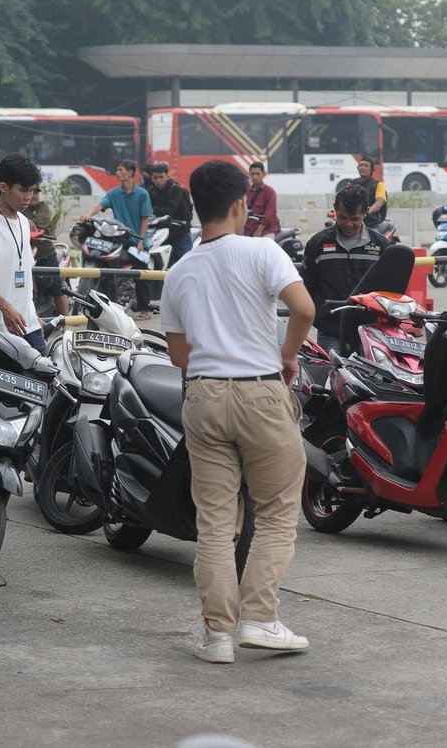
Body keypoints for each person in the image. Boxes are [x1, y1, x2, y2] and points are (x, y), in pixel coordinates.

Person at [160, 160, 315, 664]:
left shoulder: (179, 270)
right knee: (273, 514)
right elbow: (305, 309)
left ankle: (218, 635)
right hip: (260, 393)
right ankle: (260, 619)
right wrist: (287, 354)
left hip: (203, 396)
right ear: (239, 204)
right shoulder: (261, 251)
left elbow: (179, 356)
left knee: (215, 524)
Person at [0, 153, 46, 354]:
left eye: (31, 190)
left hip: (27, 323)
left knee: (46, 380)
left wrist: (32, 312)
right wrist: (6, 308)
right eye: (23, 190)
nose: (28, 196)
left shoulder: (23, 221)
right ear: (3, 187)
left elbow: (23, 273)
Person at [301, 184, 389, 353]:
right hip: (329, 333)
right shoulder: (317, 244)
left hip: (371, 334)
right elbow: (307, 286)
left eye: (355, 219)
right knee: (330, 378)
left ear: (366, 212)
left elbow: (390, 289)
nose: (348, 224)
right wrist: (318, 316)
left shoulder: (381, 246)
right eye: (342, 217)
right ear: (334, 210)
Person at [81, 158, 153, 320]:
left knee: (141, 273)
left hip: (137, 241)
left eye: (121, 170)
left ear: (130, 172)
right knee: (109, 266)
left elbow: (145, 219)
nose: (117, 173)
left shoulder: (142, 194)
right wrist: (88, 215)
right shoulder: (114, 193)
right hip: (119, 239)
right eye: (117, 170)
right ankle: (111, 304)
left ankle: (144, 308)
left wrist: (141, 240)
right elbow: (100, 205)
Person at [25, 187, 69, 317]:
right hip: (26, 255)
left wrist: (26, 222)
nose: (34, 196)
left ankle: (67, 321)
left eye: (36, 193)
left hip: (45, 254)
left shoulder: (43, 209)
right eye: (30, 192)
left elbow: (40, 223)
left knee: (57, 288)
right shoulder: (20, 209)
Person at [149, 162, 193, 264]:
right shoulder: (150, 191)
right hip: (160, 231)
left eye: (161, 177)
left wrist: (154, 209)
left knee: (187, 261)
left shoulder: (175, 189)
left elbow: (170, 209)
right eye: (155, 177)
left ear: (167, 176)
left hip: (180, 231)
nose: (158, 180)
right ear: (152, 178)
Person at [243, 161, 278, 239]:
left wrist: (259, 230)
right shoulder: (246, 191)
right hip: (248, 231)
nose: (255, 177)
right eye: (252, 174)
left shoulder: (270, 192)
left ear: (263, 174)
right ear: (249, 175)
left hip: (265, 231)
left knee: (267, 248)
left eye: (258, 174)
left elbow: (270, 214)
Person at [353, 155, 387, 229]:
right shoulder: (352, 183)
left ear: (371, 170)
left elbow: (380, 201)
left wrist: (369, 210)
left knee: (374, 240)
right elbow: (343, 199)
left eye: (366, 166)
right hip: (353, 222)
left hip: (371, 224)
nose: (363, 167)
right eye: (361, 165)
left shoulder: (378, 184)